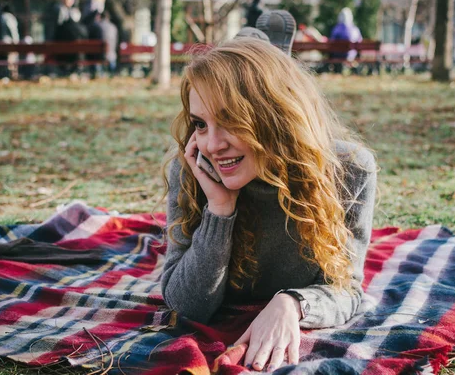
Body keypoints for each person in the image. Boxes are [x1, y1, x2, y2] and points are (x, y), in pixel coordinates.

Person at [161, 37, 376, 371]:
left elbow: (346, 288)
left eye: (231, 119)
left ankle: (266, 43)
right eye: (201, 124)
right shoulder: (192, 169)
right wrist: (219, 209)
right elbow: (186, 306)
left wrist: (293, 303)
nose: (213, 145)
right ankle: (260, 40)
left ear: (275, 116)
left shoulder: (349, 171)